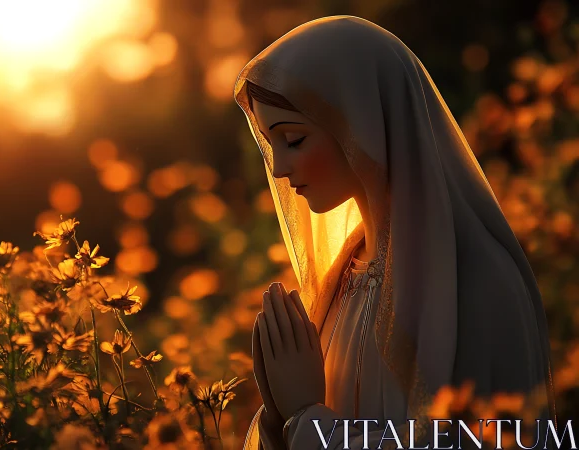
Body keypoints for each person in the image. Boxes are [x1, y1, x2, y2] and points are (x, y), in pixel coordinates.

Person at [234, 16, 557, 450]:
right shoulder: (342, 281)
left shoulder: (477, 281)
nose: (279, 168)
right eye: (270, 145)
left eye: (292, 140)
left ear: (361, 126)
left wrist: (306, 422)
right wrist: (278, 419)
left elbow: (483, 439)